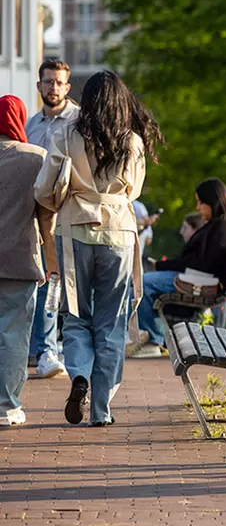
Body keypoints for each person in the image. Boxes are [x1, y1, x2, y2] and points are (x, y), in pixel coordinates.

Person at [34, 71, 162, 426]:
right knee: (111, 323)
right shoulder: (132, 141)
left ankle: (79, 375)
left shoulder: (67, 132)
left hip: (75, 226)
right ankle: (102, 410)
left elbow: (45, 187)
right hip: (119, 230)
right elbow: (133, 190)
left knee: (76, 315)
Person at [0, 96, 59, 427]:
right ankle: (6, 405)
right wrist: (52, 263)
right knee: (13, 335)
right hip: (19, 258)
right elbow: (47, 219)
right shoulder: (36, 158)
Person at [136, 178, 226, 351]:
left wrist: (163, 266)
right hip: (200, 278)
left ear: (213, 201)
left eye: (200, 202)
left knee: (142, 284)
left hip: (203, 283)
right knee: (141, 282)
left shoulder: (222, 228)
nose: (198, 207)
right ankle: (151, 337)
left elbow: (201, 264)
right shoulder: (221, 226)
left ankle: (152, 340)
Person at [25, 59, 78, 378]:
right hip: (39, 221)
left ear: (67, 87)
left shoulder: (79, 122)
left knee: (73, 286)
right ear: (39, 85)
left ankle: (67, 348)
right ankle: (46, 349)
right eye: (48, 81)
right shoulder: (31, 126)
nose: (53, 87)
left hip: (72, 215)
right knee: (48, 283)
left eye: (59, 82)